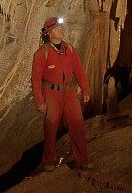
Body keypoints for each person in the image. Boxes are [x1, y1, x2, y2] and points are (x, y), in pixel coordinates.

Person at [31, 16, 92, 172]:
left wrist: (85, 89)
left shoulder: (69, 49)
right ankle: (49, 162)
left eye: (62, 28)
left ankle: (82, 160)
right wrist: (39, 101)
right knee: (50, 128)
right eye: (58, 28)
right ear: (49, 33)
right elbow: (36, 79)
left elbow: (79, 71)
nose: (61, 30)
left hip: (69, 92)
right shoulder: (41, 53)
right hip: (51, 93)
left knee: (77, 125)